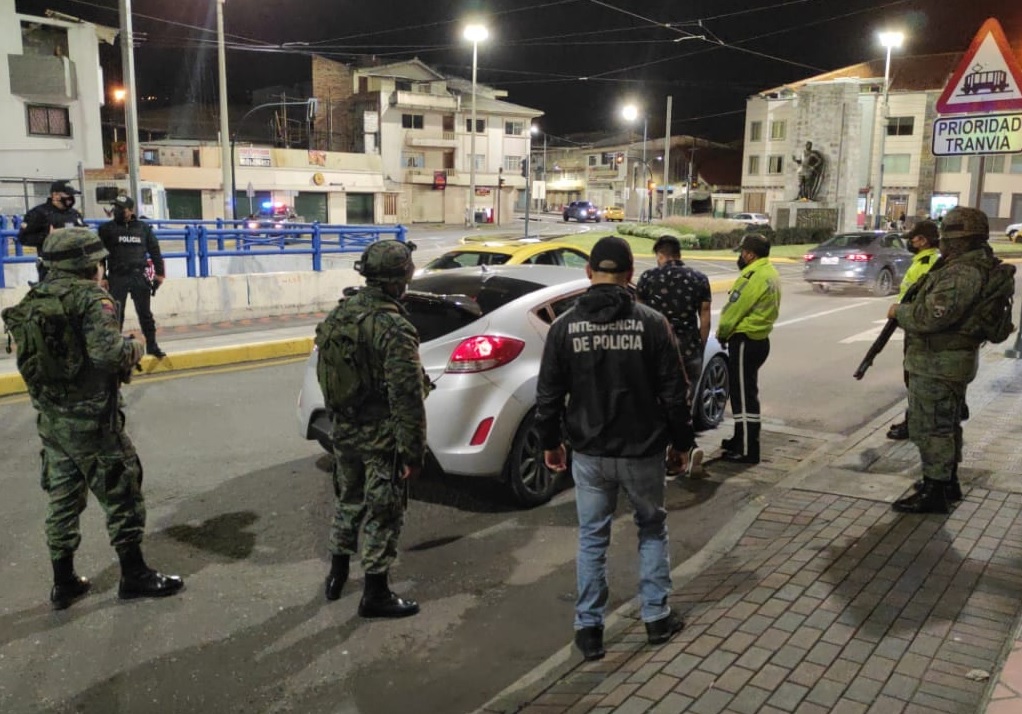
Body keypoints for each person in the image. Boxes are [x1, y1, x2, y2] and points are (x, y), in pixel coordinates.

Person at [1, 228, 183, 610]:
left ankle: (64, 582)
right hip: (93, 422)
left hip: (52, 419)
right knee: (122, 495)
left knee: (63, 500)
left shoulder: (35, 299)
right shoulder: (91, 298)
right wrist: (135, 346)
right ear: (90, 263)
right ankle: (134, 575)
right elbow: (108, 356)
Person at [535, 236, 695, 662]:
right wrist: (682, 443)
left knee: (592, 537)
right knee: (652, 528)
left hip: (589, 453)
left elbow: (548, 395)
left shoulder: (563, 327)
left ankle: (589, 630)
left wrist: (551, 444)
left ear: (588, 273)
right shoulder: (652, 323)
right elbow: (675, 392)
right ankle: (657, 618)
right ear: (629, 277)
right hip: (642, 450)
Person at [315, 239, 427, 618]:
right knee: (384, 510)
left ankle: (337, 574)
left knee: (349, 500)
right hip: (381, 437)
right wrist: (413, 450)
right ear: (401, 279)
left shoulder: (341, 313)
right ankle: (375, 593)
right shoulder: (393, 326)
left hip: (344, 429)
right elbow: (406, 395)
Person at [888, 207, 1000, 514]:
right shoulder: (965, 265)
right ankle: (946, 481)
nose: (943, 243)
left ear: (959, 240)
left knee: (932, 427)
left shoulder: (962, 272)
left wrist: (899, 312)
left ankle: (935, 489)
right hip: (944, 360)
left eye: (948, 237)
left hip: (939, 362)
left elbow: (931, 317)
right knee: (946, 423)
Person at [636, 234, 711, 476]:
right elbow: (705, 317)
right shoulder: (699, 278)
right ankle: (685, 450)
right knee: (684, 405)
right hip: (689, 351)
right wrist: (698, 346)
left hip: (657, 352)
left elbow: (639, 315)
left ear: (660, 255)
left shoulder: (648, 278)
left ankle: (669, 455)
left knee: (658, 406)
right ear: (678, 254)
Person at [716, 234, 781, 464]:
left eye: (743, 252)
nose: (741, 257)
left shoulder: (752, 276)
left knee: (743, 396)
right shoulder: (770, 272)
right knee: (745, 393)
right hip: (760, 339)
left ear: (750, 254)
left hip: (745, 340)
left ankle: (746, 449)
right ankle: (740, 438)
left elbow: (735, 309)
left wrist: (722, 333)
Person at [886, 220, 941, 441]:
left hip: (919, 329)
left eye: (914, 239)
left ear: (923, 240)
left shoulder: (928, 263)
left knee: (916, 379)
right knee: (914, 378)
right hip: (912, 325)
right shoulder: (922, 260)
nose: (910, 242)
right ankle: (915, 420)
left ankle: (916, 424)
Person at [98, 196, 167, 358]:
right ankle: (114, 348)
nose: (118, 211)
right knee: (115, 314)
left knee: (145, 314)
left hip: (138, 276)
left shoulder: (143, 228)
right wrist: (102, 277)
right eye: (116, 207)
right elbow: (99, 255)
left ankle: (152, 345)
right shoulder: (107, 229)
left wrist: (159, 273)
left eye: (122, 208)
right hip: (117, 276)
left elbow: (155, 251)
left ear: (131, 210)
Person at [17, 180, 87, 282]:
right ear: (55, 195)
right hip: (51, 268)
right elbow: (23, 238)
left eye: (72, 195)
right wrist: (47, 237)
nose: (70, 198)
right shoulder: (39, 213)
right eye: (67, 195)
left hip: (76, 267)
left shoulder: (74, 214)